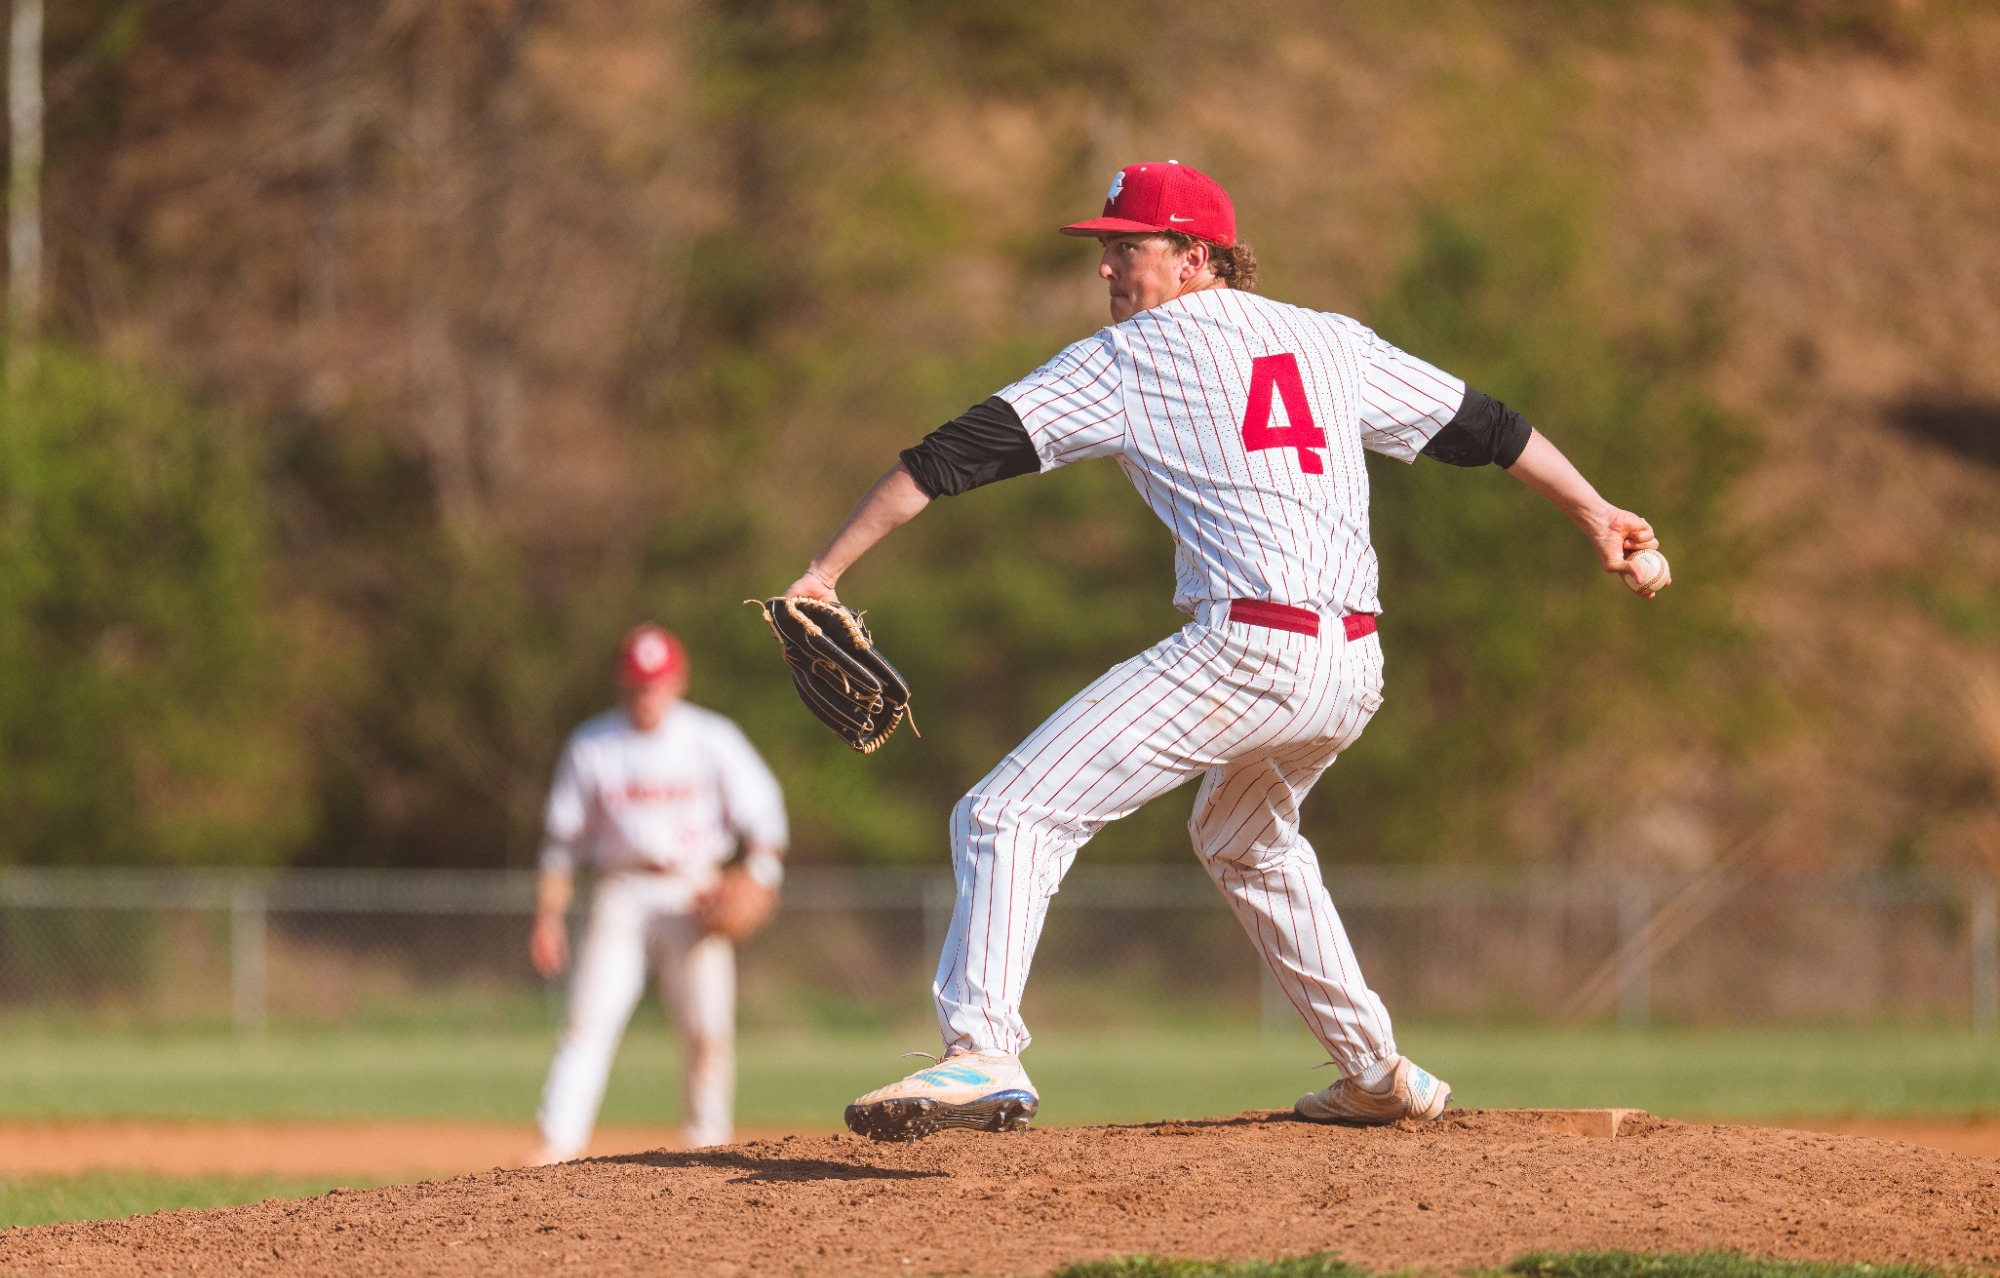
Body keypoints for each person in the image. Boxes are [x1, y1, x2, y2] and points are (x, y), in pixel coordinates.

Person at [781, 162, 1663, 1141]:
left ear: (1195, 256)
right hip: (1351, 664)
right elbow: (1484, 428)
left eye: (1129, 246)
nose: (1109, 268)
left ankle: (980, 1048)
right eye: (1106, 249)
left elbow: (951, 456)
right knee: (1244, 841)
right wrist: (1592, 510)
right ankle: (1372, 1071)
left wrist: (824, 570)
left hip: (1248, 649)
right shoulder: (1330, 338)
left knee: (1006, 812)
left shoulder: (1130, 355)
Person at [529, 624, 788, 1159]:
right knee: (587, 1020)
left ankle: (707, 1141)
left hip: (694, 892)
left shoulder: (711, 738)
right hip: (620, 891)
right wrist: (548, 916)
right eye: (638, 684)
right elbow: (561, 841)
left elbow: (765, 815)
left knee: (706, 1028)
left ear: (677, 681)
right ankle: (557, 1142)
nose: (647, 695)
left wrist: (760, 876)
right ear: (622, 684)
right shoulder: (593, 744)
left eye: (657, 683)